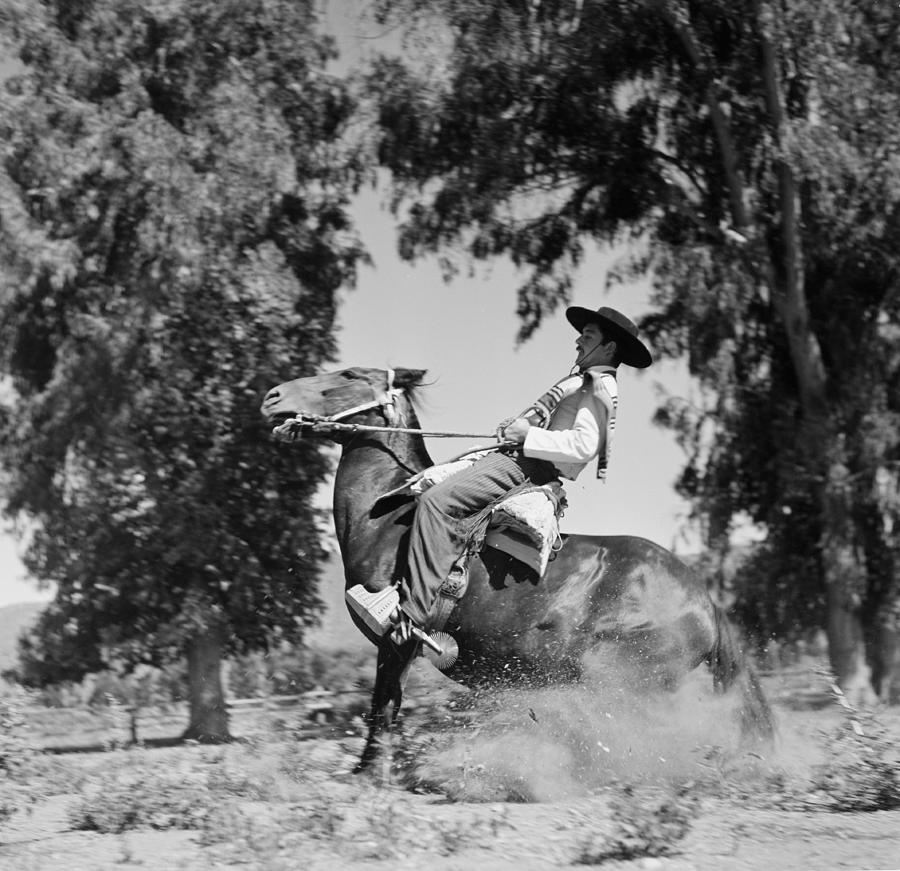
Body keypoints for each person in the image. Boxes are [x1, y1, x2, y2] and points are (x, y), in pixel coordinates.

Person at [363, 305, 652, 645]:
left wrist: (527, 436)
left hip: (527, 467)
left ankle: (411, 616)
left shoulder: (600, 386)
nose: (578, 340)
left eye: (588, 335)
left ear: (610, 348)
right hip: (519, 459)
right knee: (429, 485)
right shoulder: (584, 381)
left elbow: (584, 446)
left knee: (436, 501)